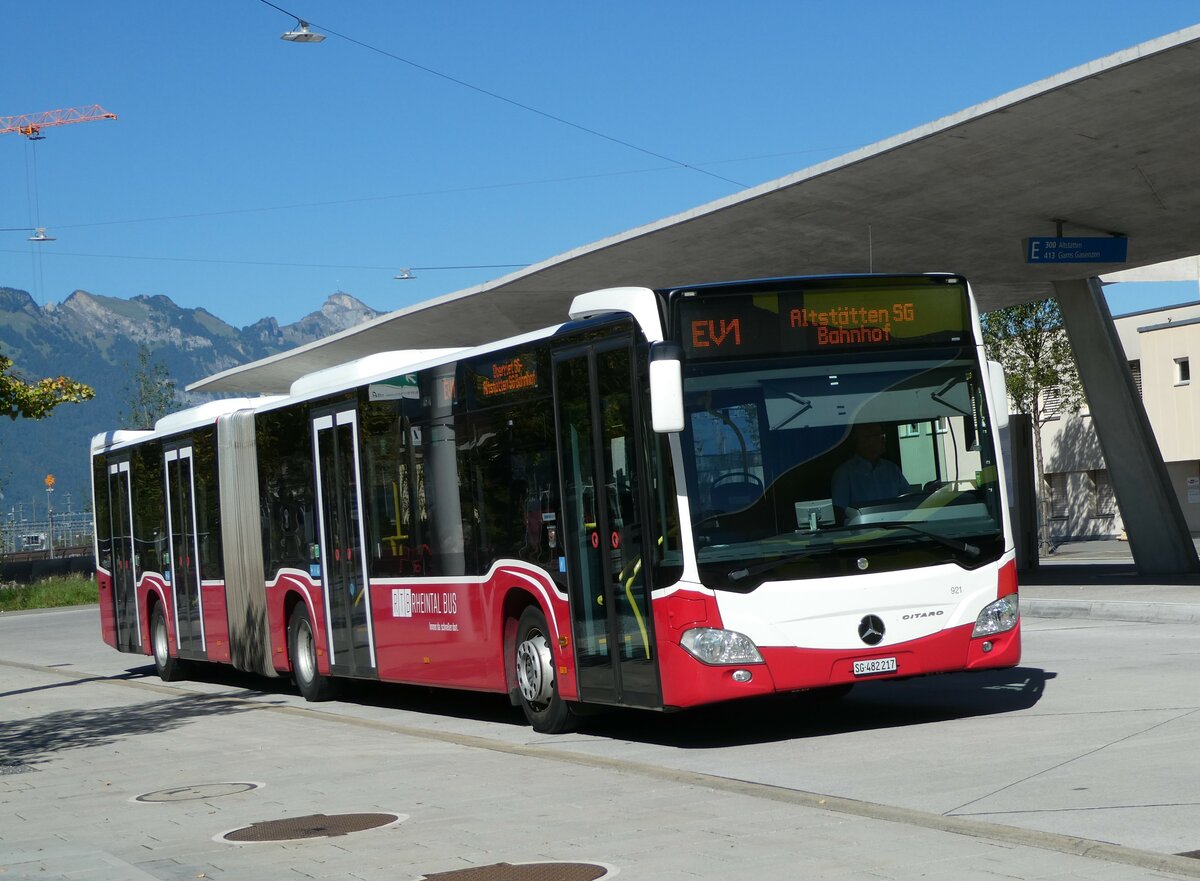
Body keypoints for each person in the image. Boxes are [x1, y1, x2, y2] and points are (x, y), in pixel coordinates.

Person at [831, 422, 912, 518]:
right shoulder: (844, 474)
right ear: (864, 441)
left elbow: (909, 500)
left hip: (898, 528)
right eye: (879, 435)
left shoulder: (892, 469)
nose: (884, 440)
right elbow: (839, 512)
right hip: (862, 531)